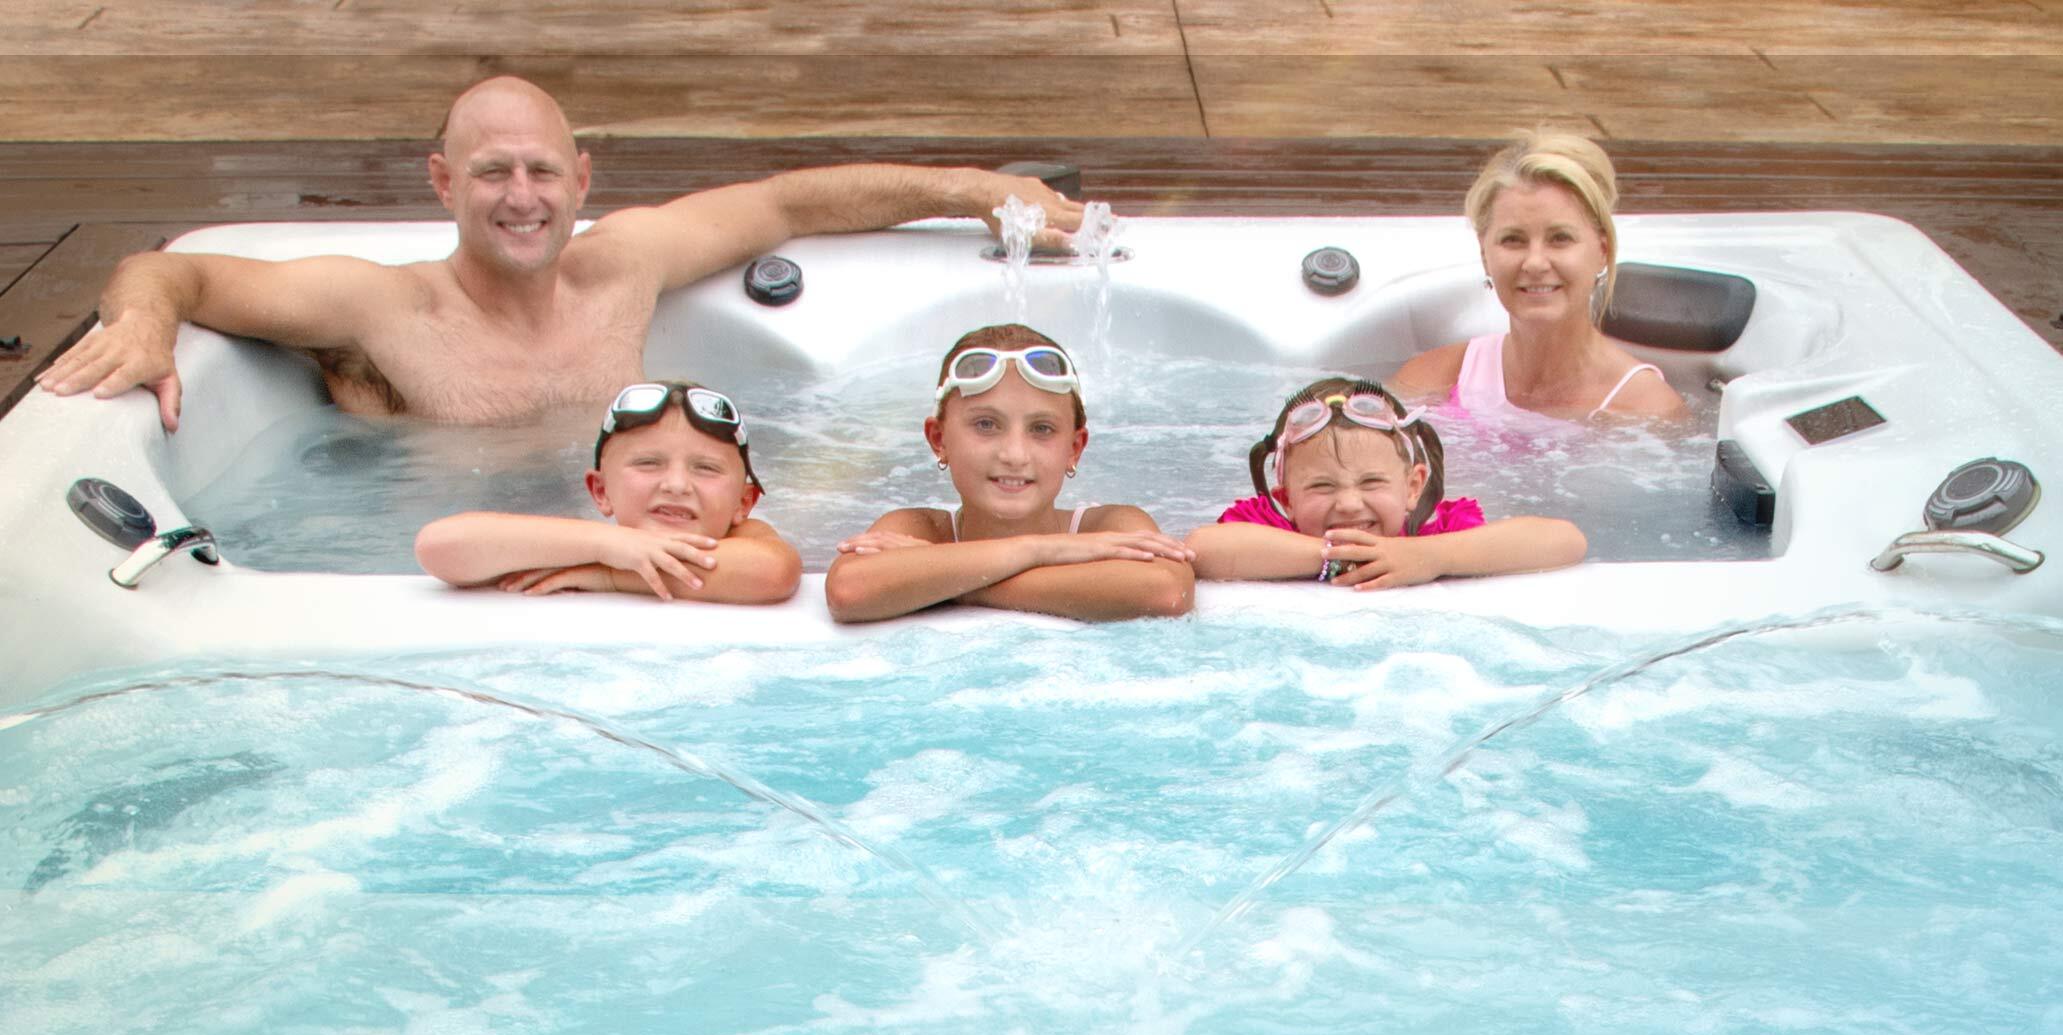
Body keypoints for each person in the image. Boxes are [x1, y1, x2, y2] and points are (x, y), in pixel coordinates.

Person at [35, 75, 1081, 431]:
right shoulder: (382, 309)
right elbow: (176, 269)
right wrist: (145, 321)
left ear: (582, 178)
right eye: (491, 173)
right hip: (448, 590)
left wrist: (974, 191)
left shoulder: (620, 265)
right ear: (443, 183)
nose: (521, 198)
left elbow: (782, 203)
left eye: (541, 173)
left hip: (635, 548)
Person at [824, 324, 1194, 622]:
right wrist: (1042, 549)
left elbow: (1165, 590)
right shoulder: (917, 526)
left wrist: (951, 583)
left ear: (1074, 448)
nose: (1014, 454)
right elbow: (848, 591)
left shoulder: (1106, 525)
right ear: (938, 439)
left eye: (1042, 429)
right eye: (986, 424)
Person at [1389, 129, 1685, 421]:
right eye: (1513, 240)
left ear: (1602, 251)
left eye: (1560, 238)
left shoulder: (1647, 411)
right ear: (1484, 256)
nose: (1534, 263)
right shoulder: (1427, 384)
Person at [415, 380, 800, 603]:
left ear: (744, 502)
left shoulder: (746, 537)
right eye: (648, 463)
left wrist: (609, 575)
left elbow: (774, 572)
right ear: (600, 491)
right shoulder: (586, 544)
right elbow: (439, 546)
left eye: (706, 469)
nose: (677, 485)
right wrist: (604, 546)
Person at [1186, 377, 1586, 588]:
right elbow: (1200, 550)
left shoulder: (1433, 533)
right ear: (1286, 499)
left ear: (1413, 487)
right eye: (1322, 487)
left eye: (1372, 482)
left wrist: (1429, 557)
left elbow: (1565, 540)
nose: (1347, 503)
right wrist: (1339, 557)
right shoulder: (1272, 532)